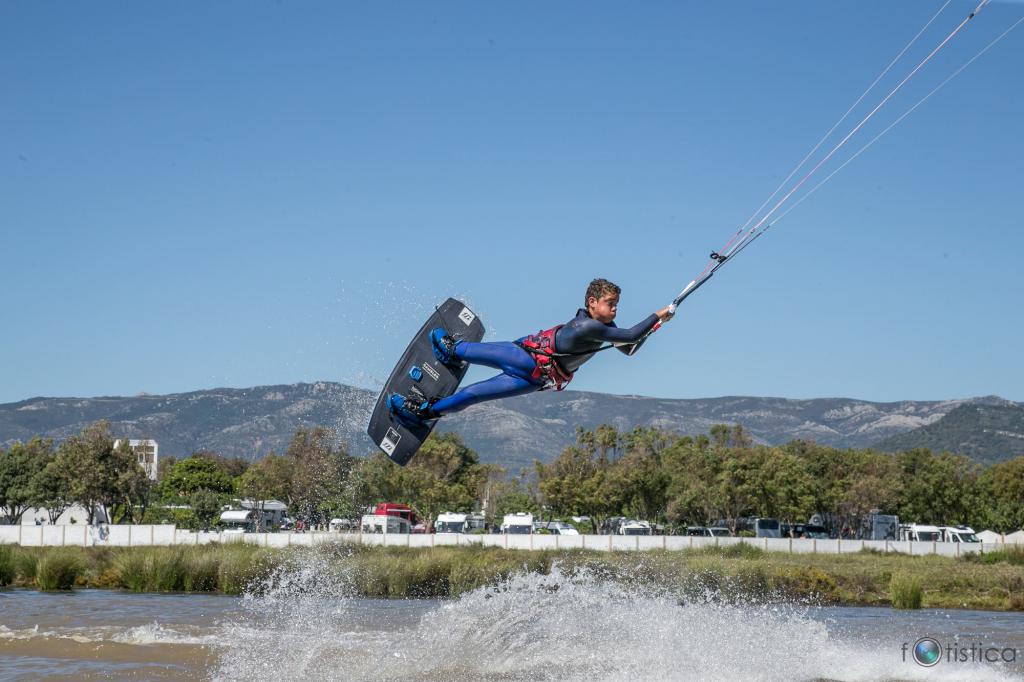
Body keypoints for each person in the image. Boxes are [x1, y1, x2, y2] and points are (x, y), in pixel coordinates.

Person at [388, 278, 674, 427]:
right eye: (610, 303)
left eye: (616, 304)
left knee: (473, 394)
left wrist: (655, 324)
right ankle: (449, 361)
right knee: (471, 372)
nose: (615, 309)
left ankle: (427, 409)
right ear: (591, 302)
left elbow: (629, 347)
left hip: (533, 372)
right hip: (529, 364)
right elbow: (630, 338)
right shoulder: (589, 327)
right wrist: (657, 317)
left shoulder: (604, 328)